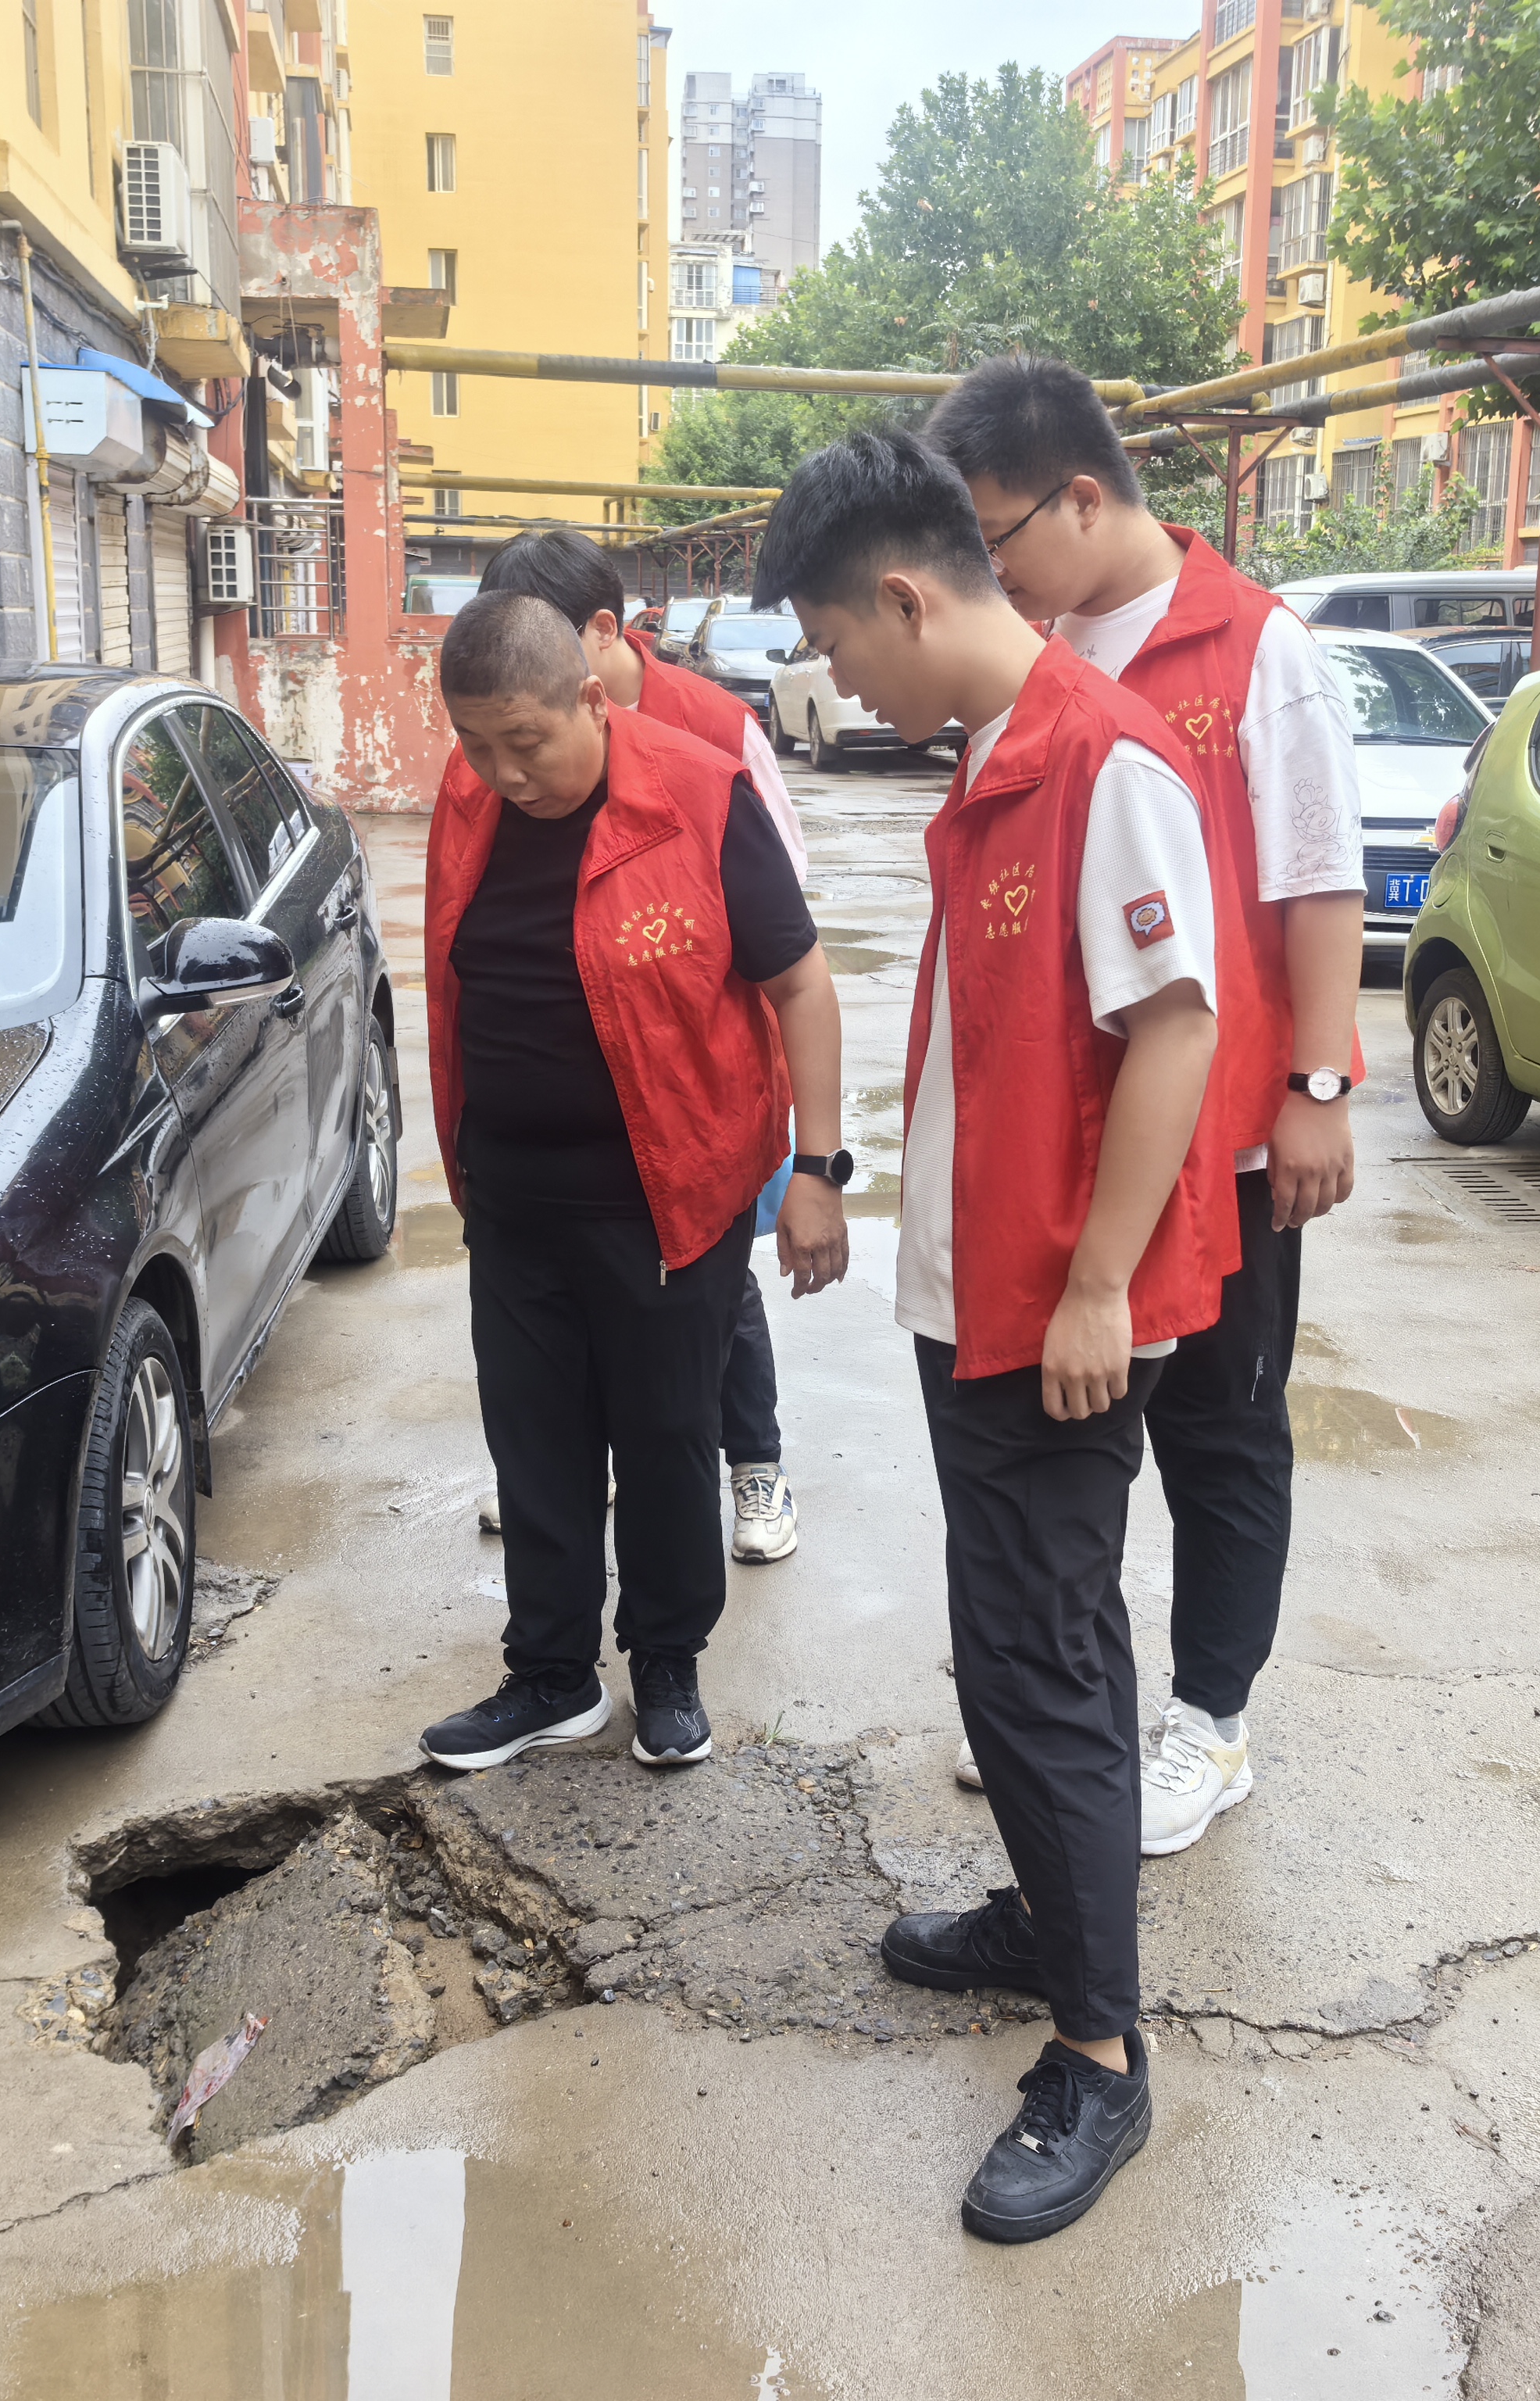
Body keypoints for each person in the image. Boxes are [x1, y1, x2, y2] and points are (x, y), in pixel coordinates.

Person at [752, 431, 1234, 2244]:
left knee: (1039, 1660)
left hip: (1056, 1318)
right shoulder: (995, 756)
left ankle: (1099, 2058)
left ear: (901, 597)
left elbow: (1176, 1026)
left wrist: (1099, 1283)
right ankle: (1049, 1915)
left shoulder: (1104, 762)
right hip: (986, 1302)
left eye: (836, 645)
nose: (840, 683)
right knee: (1025, 1643)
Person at [924, 356, 1366, 1859]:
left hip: (1227, 1134)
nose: (988, 572)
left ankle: (1212, 1722)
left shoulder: (1252, 646)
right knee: (1080, 1445)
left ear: (1081, 497)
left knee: (1224, 1438)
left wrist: (1317, 1085)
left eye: (995, 538)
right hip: (1083, 1139)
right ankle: (1075, 1712)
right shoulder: (1031, 654)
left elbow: (1318, 877)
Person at [418, 593, 850, 1773]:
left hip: (669, 1201)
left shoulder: (700, 795)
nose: (503, 774)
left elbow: (801, 985)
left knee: (665, 1440)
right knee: (535, 1445)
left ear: (589, 699)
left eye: (526, 742)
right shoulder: (471, 799)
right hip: (514, 1199)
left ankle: (666, 1662)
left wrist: (817, 1170)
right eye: (476, 746)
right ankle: (551, 1676)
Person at [473, 528, 811, 1569]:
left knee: (714, 1299)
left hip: (703, 1092)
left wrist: (806, 1148)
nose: (507, 769)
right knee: (619, 1362)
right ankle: (600, 1465)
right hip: (554, 1181)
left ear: (598, 638)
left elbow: (785, 936)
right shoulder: (499, 773)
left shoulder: (714, 735)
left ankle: (754, 1465)